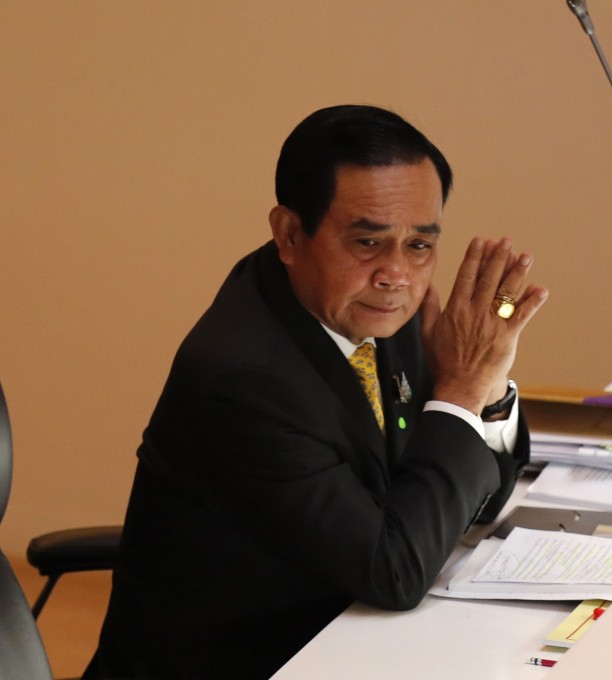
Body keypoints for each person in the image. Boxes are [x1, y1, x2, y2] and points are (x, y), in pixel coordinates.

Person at [82, 105, 548, 679]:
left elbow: (471, 505)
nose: (397, 274)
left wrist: (488, 389)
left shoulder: (372, 309)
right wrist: (460, 390)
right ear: (288, 234)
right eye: (368, 242)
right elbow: (395, 573)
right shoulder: (245, 381)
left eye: (420, 246)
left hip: (346, 641)